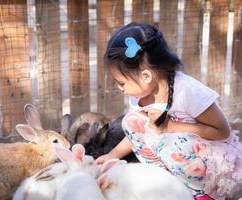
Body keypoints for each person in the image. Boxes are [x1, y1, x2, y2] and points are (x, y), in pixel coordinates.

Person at [95, 22, 242, 200]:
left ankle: (201, 194)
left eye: (121, 83)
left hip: (211, 164)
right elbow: (137, 132)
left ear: (146, 76)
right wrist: (113, 154)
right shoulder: (141, 94)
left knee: (169, 143)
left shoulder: (187, 91)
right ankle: (168, 182)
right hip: (179, 160)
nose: (120, 88)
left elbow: (222, 131)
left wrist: (171, 126)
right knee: (132, 122)